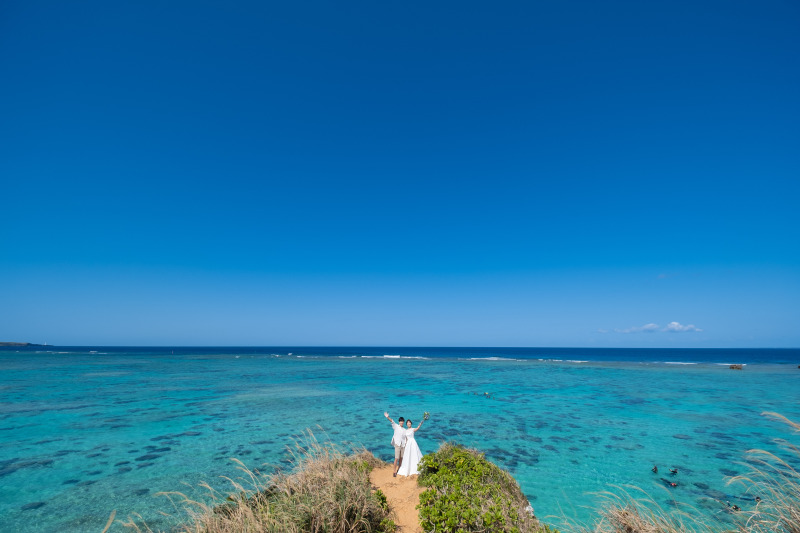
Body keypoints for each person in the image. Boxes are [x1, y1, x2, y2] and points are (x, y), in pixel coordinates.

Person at [384, 412, 406, 477]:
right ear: (399, 422)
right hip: (397, 444)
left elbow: (406, 438)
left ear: (403, 422)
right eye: (400, 421)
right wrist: (387, 417)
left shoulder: (404, 430)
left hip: (403, 445)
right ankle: (394, 471)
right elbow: (392, 421)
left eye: (402, 421)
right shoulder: (396, 426)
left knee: (401, 458)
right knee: (396, 458)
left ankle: (399, 469)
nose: (401, 422)